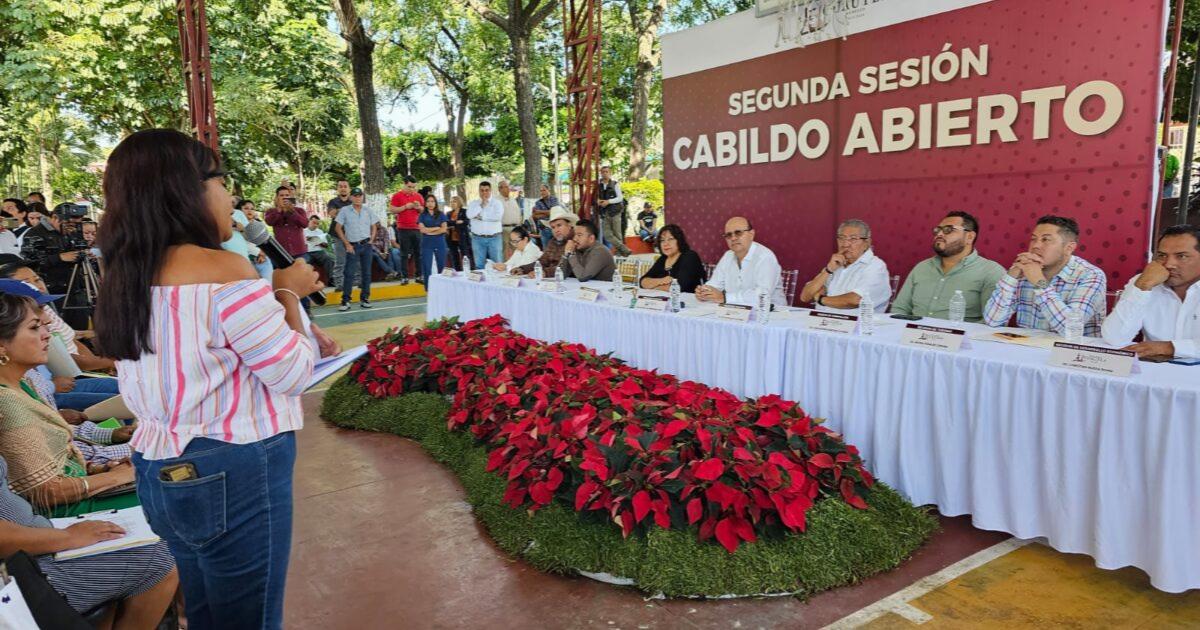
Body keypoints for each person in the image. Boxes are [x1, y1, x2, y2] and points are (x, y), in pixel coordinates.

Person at [94, 128, 337, 629]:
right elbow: (292, 374)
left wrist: (287, 316)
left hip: (159, 464)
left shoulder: (127, 274)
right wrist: (287, 293)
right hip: (234, 461)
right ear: (185, 190)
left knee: (204, 610)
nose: (232, 200)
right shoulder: (225, 269)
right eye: (222, 182)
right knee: (249, 618)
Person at [0, 292, 137, 517]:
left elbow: (54, 457)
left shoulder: (23, 384)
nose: (47, 335)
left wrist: (98, 469)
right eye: (34, 328)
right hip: (70, 511)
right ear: (2, 347)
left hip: (79, 489)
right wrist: (115, 477)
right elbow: (45, 492)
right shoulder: (9, 404)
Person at [0, 455, 179, 626]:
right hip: (18, 566)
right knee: (160, 555)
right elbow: (49, 491)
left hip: (37, 536)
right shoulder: (21, 426)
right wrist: (69, 536)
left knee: (149, 531)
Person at [983, 215, 1107, 336]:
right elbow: (993, 321)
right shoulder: (1025, 269)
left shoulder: (1091, 275)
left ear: (1069, 248)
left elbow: (1070, 329)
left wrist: (1039, 283)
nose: (1035, 246)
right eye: (1033, 239)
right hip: (1028, 350)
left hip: (1072, 353)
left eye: (1046, 239)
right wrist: (1011, 277)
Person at [1101, 224, 1200, 358]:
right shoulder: (1145, 281)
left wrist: (1169, 347)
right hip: (1153, 373)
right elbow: (1114, 337)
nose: (1168, 264)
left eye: (1181, 256)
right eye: (1162, 256)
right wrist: (1143, 286)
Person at [890, 211, 1006, 321]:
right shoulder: (922, 267)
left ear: (969, 237)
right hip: (912, 338)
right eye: (937, 230)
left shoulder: (991, 272)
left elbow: (990, 323)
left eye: (948, 229)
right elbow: (899, 309)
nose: (939, 234)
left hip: (961, 340)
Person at [18, 204, 90, 330]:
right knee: (60, 331)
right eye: (69, 224)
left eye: (76, 224)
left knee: (81, 329)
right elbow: (30, 264)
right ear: (55, 217)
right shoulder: (35, 234)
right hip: (53, 293)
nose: (72, 228)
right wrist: (59, 257)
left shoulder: (71, 234)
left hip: (76, 290)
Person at [799, 219, 890, 313]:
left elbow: (855, 300)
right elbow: (805, 297)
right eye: (842, 238)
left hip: (856, 325)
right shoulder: (836, 264)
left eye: (853, 239)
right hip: (822, 322)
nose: (845, 244)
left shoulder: (876, 266)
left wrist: (820, 299)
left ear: (866, 243)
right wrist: (828, 270)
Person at [697, 217, 785, 306]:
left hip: (772, 314)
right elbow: (714, 284)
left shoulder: (765, 257)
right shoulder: (728, 256)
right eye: (728, 235)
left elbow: (762, 295)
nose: (733, 238)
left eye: (738, 233)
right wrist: (704, 292)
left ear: (751, 234)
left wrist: (724, 298)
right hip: (735, 311)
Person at [336, 187, 377, 311]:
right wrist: (347, 244)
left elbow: (374, 226)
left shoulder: (368, 210)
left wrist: (371, 240)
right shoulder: (344, 210)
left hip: (366, 245)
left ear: (362, 197)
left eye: (360, 196)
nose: (358, 198)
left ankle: (365, 299)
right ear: (351, 197)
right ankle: (345, 301)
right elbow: (338, 228)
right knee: (349, 273)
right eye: (355, 196)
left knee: (367, 273)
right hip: (353, 246)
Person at [639, 224, 706, 293]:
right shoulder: (663, 259)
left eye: (670, 239)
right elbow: (642, 281)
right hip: (664, 300)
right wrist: (661, 280)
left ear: (679, 240)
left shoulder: (690, 256)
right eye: (662, 240)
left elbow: (680, 287)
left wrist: (653, 286)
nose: (665, 244)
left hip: (689, 301)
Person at [514, 206, 577, 277]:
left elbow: (568, 267)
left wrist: (545, 273)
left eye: (559, 225)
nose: (556, 230)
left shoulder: (576, 241)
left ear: (569, 225)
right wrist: (522, 269)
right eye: (553, 227)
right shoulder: (553, 241)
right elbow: (542, 261)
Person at [389, 175, 424, 285]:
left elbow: (423, 210)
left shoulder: (418, 196)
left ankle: (419, 275)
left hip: (417, 228)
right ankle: (404, 277)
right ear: (404, 184)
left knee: (418, 253)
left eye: (414, 187)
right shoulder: (397, 196)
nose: (412, 189)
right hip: (403, 228)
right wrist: (405, 207)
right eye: (409, 187)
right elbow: (392, 209)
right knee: (404, 254)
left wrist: (419, 208)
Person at [466, 181, 504, 269]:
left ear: (490, 191)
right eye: (482, 190)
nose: (484, 193)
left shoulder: (497, 203)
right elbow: (469, 215)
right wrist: (481, 206)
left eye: (486, 190)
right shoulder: (474, 203)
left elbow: (497, 217)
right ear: (479, 191)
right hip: (477, 239)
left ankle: (496, 283)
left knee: (497, 265)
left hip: (495, 238)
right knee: (479, 266)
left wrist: (481, 217)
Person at [594, 165, 631, 256]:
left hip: (615, 211)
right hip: (604, 212)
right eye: (603, 172)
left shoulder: (615, 184)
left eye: (607, 172)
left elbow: (620, 198)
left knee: (617, 233)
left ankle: (620, 253)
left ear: (610, 173)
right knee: (607, 234)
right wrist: (598, 201)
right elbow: (595, 198)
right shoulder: (599, 185)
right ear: (601, 173)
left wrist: (608, 201)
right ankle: (624, 249)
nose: (605, 174)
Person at [264, 186, 309, 259]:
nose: (284, 198)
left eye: (287, 195)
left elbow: (305, 224)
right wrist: (279, 210)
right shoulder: (271, 211)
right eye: (281, 195)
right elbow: (269, 222)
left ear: (291, 197)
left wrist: (292, 211)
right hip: (281, 252)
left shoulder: (299, 210)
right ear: (277, 198)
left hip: (299, 251)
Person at [327, 180, 355, 291]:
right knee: (340, 261)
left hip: (352, 235)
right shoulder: (333, 201)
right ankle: (339, 284)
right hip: (337, 235)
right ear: (337, 189)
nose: (343, 188)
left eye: (345, 186)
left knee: (354, 260)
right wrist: (346, 210)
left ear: (349, 189)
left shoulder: (354, 201)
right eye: (340, 186)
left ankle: (356, 283)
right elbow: (332, 214)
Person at [415, 195, 450, 283]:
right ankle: (428, 289)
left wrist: (429, 232)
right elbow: (422, 229)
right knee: (427, 267)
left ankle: (442, 287)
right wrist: (436, 228)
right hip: (426, 243)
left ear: (435, 203)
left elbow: (444, 229)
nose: (430, 203)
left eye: (432, 201)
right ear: (425, 204)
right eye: (428, 201)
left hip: (440, 242)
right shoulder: (422, 215)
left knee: (442, 266)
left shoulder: (441, 214)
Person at [303, 215, 335, 284]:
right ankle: (307, 282)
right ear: (309, 222)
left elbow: (326, 245)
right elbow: (301, 245)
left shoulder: (320, 231)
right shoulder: (303, 231)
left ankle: (331, 280)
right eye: (314, 223)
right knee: (305, 261)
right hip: (307, 252)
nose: (315, 225)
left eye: (317, 223)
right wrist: (309, 240)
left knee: (328, 259)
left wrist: (320, 243)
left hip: (318, 251)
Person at [445, 195, 472, 271]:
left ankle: (468, 271)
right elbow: (447, 223)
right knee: (454, 256)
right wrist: (457, 222)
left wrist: (454, 223)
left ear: (459, 202)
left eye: (454, 201)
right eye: (451, 202)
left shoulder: (464, 211)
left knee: (466, 256)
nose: (452, 203)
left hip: (462, 237)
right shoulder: (448, 213)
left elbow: (467, 222)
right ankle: (457, 271)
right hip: (451, 238)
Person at [499, 181, 523, 259]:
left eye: (508, 187)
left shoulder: (513, 199)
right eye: (505, 187)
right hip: (504, 229)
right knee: (504, 251)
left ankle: (516, 267)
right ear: (500, 189)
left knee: (517, 250)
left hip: (515, 228)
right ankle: (503, 268)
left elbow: (517, 212)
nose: (508, 189)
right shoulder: (496, 201)